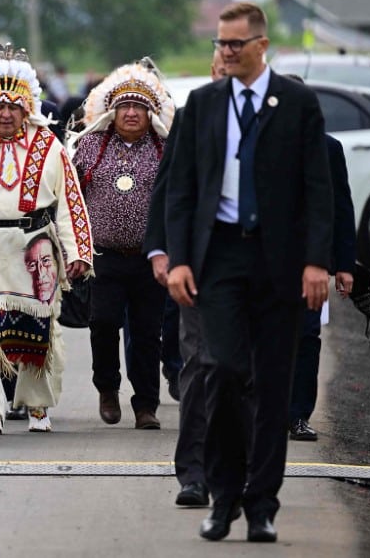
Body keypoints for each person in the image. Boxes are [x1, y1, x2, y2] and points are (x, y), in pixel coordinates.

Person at [165, 2, 332, 543]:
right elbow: (183, 190)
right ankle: (223, 496)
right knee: (223, 372)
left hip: (279, 262)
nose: (226, 52)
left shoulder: (298, 103)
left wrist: (316, 261)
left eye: (235, 43)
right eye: (220, 43)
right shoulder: (203, 105)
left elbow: (318, 188)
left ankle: (261, 505)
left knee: (272, 386)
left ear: (261, 45)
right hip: (222, 260)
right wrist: (180, 258)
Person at [0, 43, 93, 435]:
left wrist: (79, 251)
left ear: (26, 108)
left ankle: (36, 407)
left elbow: (70, 203)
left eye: (13, 106)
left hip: (36, 247)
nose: (5, 114)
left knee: (40, 326)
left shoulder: (49, 144)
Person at [71, 59, 175, 431]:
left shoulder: (166, 149)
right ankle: (107, 389)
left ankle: (146, 405)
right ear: (112, 112)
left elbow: (178, 201)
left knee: (148, 333)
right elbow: (72, 199)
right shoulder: (90, 146)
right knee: (103, 323)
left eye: (139, 107)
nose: (131, 113)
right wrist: (75, 250)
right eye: (124, 107)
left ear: (150, 113)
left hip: (151, 260)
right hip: (104, 258)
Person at [143, 48, 226, 507]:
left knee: (241, 371)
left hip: (254, 267)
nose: (224, 73)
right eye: (217, 67)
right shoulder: (193, 114)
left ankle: (239, 467)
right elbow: (169, 186)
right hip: (196, 264)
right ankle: (193, 473)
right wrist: (161, 251)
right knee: (198, 363)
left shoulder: (277, 111)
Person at [284, 73, 356, 442]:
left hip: (312, 263)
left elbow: (341, 209)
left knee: (307, 338)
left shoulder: (328, 149)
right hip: (265, 263)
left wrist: (344, 264)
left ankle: (298, 415)